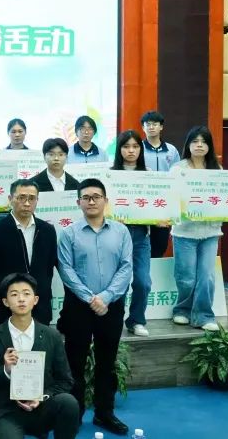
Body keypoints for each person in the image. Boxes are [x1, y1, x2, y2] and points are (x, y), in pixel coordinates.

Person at [56, 178, 132, 435]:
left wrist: (106, 298)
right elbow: (65, 269)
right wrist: (91, 298)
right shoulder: (69, 233)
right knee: (74, 363)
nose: (91, 201)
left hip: (111, 307)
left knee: (106, 363)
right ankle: (74, 414)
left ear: (105, 201)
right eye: (86, 197)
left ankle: (104, 413)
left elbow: (126, 267)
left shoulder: (121, 232)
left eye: (96, 197)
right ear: (78, 202)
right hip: (78, 307)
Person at [0, 273, 79, 439]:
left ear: (35, 300)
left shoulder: (52, 336)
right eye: (14, 294)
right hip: (6, 411)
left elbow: (65, 381)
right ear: (5, 301)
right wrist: (5, 370)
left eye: (26, 293)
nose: (21, 299)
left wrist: (41, 397)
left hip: (42, 407)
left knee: (68, 402)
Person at [0, 180, 59, 326]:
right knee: (6, 341)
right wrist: (0, 291)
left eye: (32, 198)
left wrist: (42, 289)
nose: (27, 203)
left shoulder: (47, 230)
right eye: (21, 198)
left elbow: (49, 267)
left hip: (39, 304)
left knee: (39, 341)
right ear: (10, 199)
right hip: (6, 305)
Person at [170, 126, 224, 332]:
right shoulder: (178, 169)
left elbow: (226, 199)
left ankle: (203, 315)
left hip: (210, 232)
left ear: (209, 146)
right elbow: (171, 198)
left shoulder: (217, 170)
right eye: (195, 141)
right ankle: (182, 310)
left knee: (207, 276)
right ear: (188, 145)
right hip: (184, 232)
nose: (199, 145)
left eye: (204, 141)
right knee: (186, 277)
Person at [111, 130, 152, 337]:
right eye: (126, 146)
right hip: (116, 235)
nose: (131, 151)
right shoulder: (110, 174)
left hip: (141, 235)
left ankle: (136, 320)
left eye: (135, 146)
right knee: (119, 282)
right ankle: (114, 320)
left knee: (143, 281)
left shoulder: (149, 173)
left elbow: (158, 203)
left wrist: (162, 216)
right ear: (119, 150)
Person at [141, 110, 180, 257]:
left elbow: (177, 175)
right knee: (141, 242)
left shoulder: (171, 150)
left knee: (161, 243)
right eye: (148, 124)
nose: (151, 127)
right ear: (143, 127)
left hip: (164, 203)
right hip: (143, 201)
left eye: (155, 124)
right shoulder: (138, 148)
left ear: (161, 127)